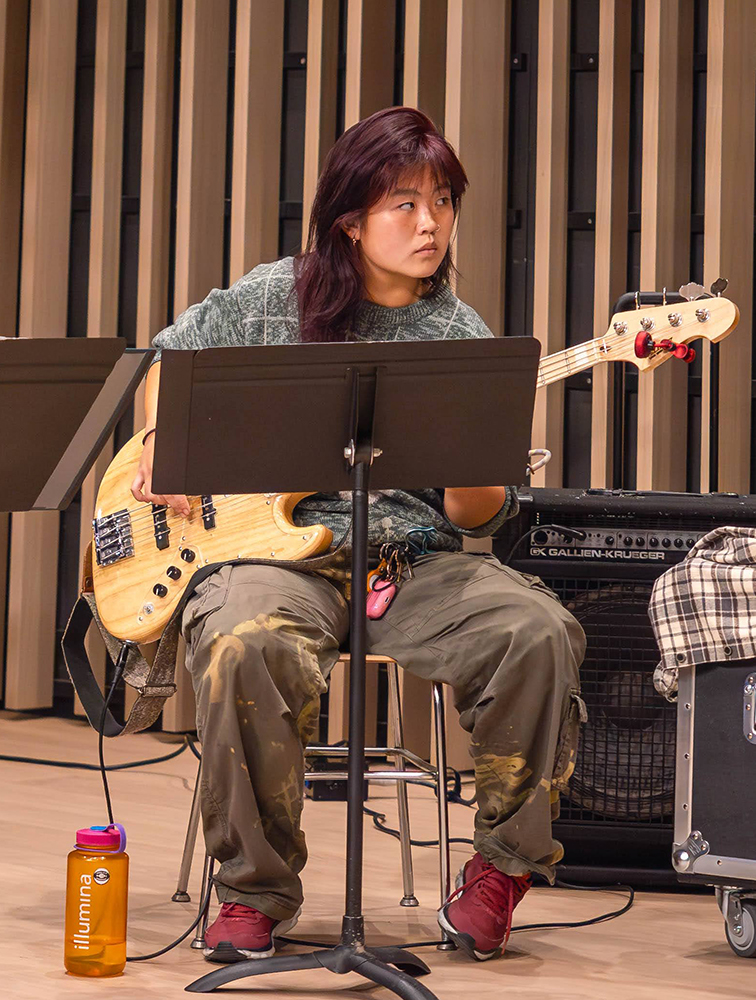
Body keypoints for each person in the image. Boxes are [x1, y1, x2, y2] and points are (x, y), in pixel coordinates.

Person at [132, 106, 586, 963]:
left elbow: (476, 517)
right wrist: (163, 440)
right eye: (406, 205)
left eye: (443, 202)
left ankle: (500, 873)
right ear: (351, 219)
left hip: (409, 563)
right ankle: (252, 893)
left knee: (539, 631)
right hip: (273, 551)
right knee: (240, 637)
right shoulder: (276, 295)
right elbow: (170, 361)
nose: (431, 224)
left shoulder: (462, 336)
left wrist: (472, 464)